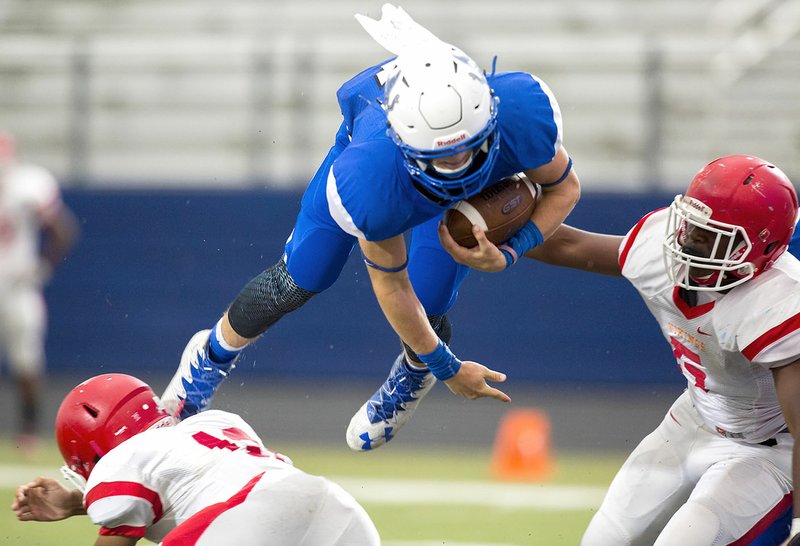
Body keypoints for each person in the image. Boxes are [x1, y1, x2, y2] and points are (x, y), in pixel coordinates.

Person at [160, 3, 581, 451]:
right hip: (390, 174)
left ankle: (412, 369)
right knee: (302, 276)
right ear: (401, 136)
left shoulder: (520, 114)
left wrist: (514, 250)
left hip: (413, 167)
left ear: (491, 118)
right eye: (439, 157)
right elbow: (391, 287)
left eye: (468, 150)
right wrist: (447, 366)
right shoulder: (371, 175)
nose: (455, 168)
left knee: (432, 295)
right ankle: (209, 358)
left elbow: (565, 188)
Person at [440, 154, 800, 545]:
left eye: (711, 236)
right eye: (692, 225)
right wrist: (504, 243)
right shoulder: (662, 248)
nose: (690, 240)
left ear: (762, 248)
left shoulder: (776, 301)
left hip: (764, 451)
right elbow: (573, 245)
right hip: (692, 420)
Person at [11, 372, 380, 545]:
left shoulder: (120, 461)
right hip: (339, 511)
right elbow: (188, 488)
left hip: (251, 522)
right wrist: (77, 503)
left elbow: (122, 528)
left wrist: (85, 502)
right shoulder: (217, 423)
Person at [0, 131, 79, 447]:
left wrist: (41, 266)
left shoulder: (26, 186)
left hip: (17, 285)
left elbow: (64, 230)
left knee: (27, 359)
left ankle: (28, 429)